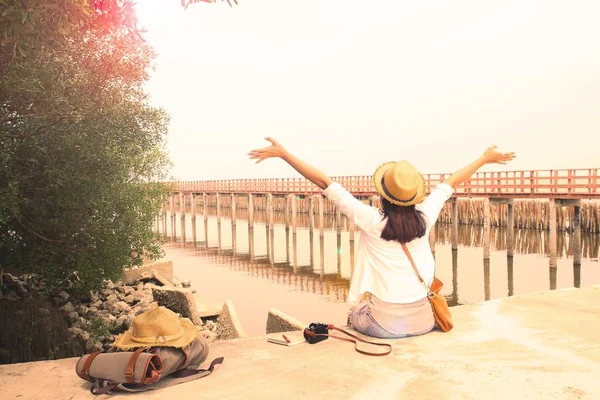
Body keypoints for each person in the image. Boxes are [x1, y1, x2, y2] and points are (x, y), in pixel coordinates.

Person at [248, 138, 516, 338]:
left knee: (355, 313)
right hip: (424, 322)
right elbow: (451, 183)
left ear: (383, 193)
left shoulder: (371, 219)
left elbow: (325, 183)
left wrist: (284, 155)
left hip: (383, 328)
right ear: (414, 195)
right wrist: (484, 159)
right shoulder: (426, 213)